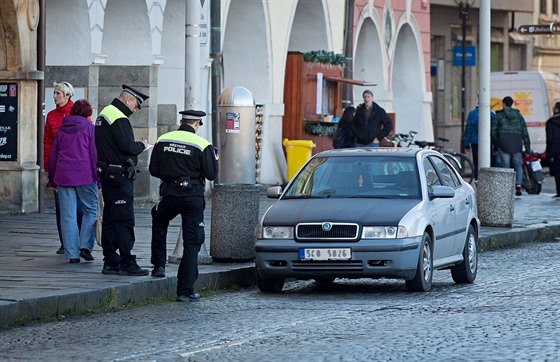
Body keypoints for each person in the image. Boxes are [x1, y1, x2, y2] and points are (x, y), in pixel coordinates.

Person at [149, 110, 218, 302]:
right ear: (197, 124)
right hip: (192, 198)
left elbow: (153, 169)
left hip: (169, 194)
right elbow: (211, 174)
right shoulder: (202, 144)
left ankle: (158, 266)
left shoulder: (163, 139)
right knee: (192, 242)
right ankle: (185, 291)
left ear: (181, 121)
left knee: (159, 220)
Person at [95, 84, 151, 276]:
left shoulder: (104, 114)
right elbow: (127, 146)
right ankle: (127, 261)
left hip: (108, 175)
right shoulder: (118, 117)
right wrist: (142, 146)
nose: (135, 109)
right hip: (119, 178)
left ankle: (110, 260)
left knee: (110, 218)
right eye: (136, 105)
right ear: (128, 100)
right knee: (124, 219)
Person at [47, 99, 98, 263]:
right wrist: (99, 180)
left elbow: (53, 155)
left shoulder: (62, 128)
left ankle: (72, 255)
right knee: (91, 210)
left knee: (67, 216)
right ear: (88, 114)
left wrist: (52, 180)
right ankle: (84, 245)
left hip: (63, 176)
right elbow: (94, 155)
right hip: (85, 175)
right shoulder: (89, 128)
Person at [42, 81, 85, 255]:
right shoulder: (51, 116)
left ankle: (81, 242)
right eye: (54, 93)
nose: (54, 96)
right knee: (61, 208)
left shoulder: (79, 113)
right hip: (58, 167)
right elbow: (47, 143)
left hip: (77, 167)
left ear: (67, 95)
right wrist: (47, 169)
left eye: (58, 93)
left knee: (80, 207)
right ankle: (65, 242)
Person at [491, 96, 532, 196]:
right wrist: (527, 148)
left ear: (503, 104)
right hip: (516, 142)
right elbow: (524, 132)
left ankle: (508, 187)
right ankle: (518, 184)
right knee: (518, 164)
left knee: (506, 166)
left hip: (504, 143)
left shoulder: (499, 115)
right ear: (512, 104)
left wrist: (497, 144)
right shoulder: (518, 116)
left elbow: (493, 131)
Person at [463, 104, 496, 180]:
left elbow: (468, 129)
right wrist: (495, 145)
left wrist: (466, 144)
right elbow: (494, 131)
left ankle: (478, 179)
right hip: (488, 142)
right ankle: (488, 179)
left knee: (477, 162)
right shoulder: (491, 114)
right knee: (488, 162)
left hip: (475, 142)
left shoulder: (472, 114)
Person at [545, 102, 560, 198]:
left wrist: (548, 152)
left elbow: (550, 138)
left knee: (557, 172)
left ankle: (559, 191)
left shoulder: (551, 121)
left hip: (556, 151)